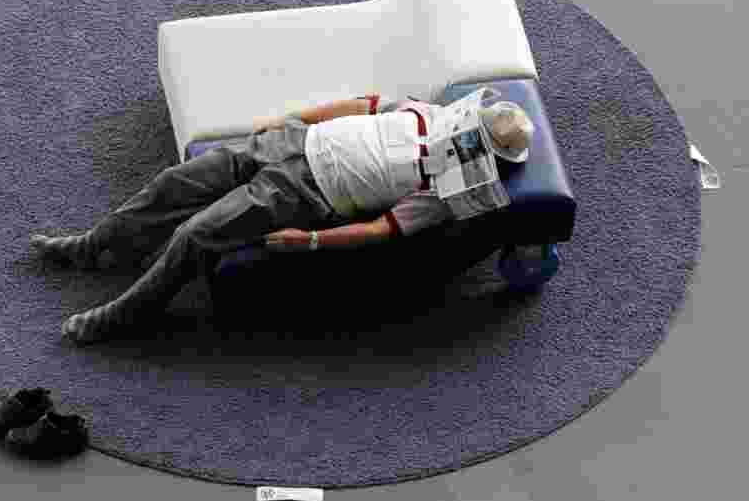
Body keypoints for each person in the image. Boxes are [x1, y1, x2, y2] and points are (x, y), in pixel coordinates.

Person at [31, 92, 535, 345]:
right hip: (293, 142)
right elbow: (363, 103)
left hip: (304, 193)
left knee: (195, 235)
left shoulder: (442, 191)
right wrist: (289, 118)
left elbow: (386, 230)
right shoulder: (428, 111)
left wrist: (312, 241)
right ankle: (97, 244)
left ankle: (122, 317)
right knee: (171, 183)